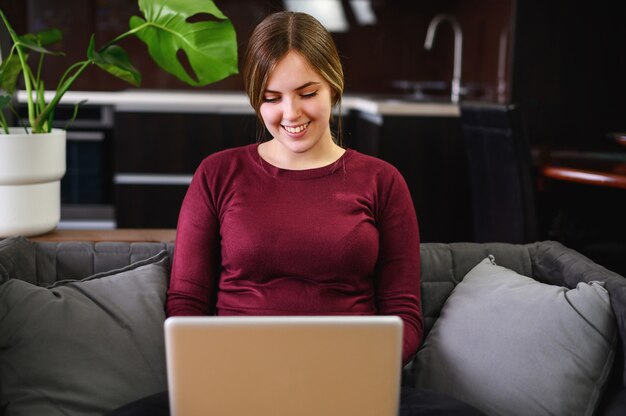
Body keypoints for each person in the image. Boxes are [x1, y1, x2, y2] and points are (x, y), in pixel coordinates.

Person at [106, 11, 483, 416]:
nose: (291, 113)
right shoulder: (216, 174)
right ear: (256, 100)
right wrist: (215, 369)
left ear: (333, 87)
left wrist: (359, 370)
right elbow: (186, 301)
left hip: (350, 389)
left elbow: (404, 314)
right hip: (236, 387)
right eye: (272, 98)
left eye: (307, 93)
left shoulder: (382, 181)